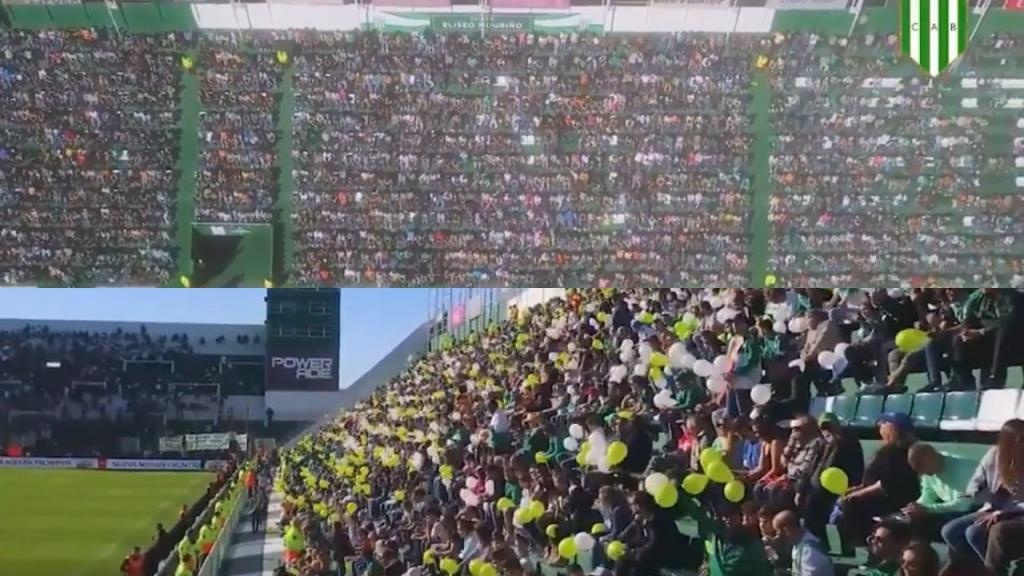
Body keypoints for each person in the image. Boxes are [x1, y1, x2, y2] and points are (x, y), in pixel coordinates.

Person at [941, 419, 1024, 576]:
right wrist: (977, 492)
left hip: (1016, 513)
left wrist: (1003, 513)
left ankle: (993, 572)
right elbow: (975, 483)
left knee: (974, 532)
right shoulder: (994, 455)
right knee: (950, 531)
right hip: (991, 508)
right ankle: (977, 569)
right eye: (1019, 440)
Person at [834, 413, 919, 550]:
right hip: (878, 494)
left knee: (851, 504)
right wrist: (857, 489)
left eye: (884, 423)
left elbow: (885, 484)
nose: (880, 427)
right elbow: (871, 480)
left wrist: (857, 494)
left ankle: (864, 547)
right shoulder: (887, 449)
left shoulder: (901, 451)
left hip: (895, 500)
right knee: (843, 499)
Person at [797, 413, 864, 541]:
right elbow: (809, 469)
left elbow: (854, 472)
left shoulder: (849, 444)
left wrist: (836, 444)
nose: (827, 432)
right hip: (816, 489)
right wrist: (800, 490)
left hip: (838, 490)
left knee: (815, 502)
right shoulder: (820, 445)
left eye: (830, 427)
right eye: (824, 429)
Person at [677, 495, 772, 576]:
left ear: (741, 517)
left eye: (731, 515)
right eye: (724, 516)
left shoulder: (753, 544)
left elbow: (763, 571)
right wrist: (706, 567)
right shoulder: (715, 537)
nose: (727, 519)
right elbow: (708, 559)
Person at [902, 443, 974, 540]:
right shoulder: (929, 471)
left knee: (949, 530)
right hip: (952, 509)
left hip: (975, 508)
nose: (921, 473)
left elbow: (963, 505)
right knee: (913, 521)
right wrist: (916, 508)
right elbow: (929, 494)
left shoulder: (962, 470)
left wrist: (927, 509)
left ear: (930, 458)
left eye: (921, 467)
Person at [772, 510, 834, 576]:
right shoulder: (799, 544)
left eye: (779, 532)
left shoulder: (810, 552)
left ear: (786, 530)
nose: (778, 536)